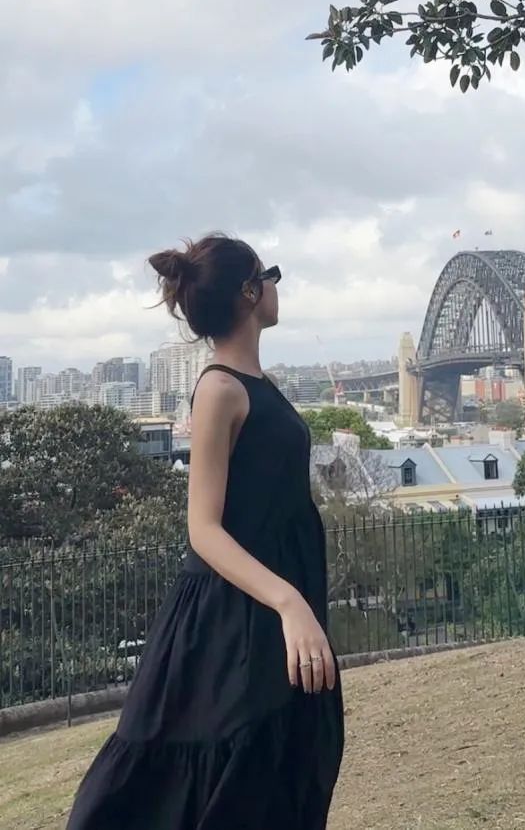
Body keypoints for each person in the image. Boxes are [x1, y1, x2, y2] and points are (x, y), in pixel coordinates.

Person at [67, 233, 345, 829]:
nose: (275, 286)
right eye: (269, 275)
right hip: (232, 616)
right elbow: (203, 529)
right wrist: (289, 602)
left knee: (277, 771)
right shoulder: (220, 389)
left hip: (269, 604)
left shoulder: (258, 382)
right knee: (217, 777)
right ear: (249, 292)